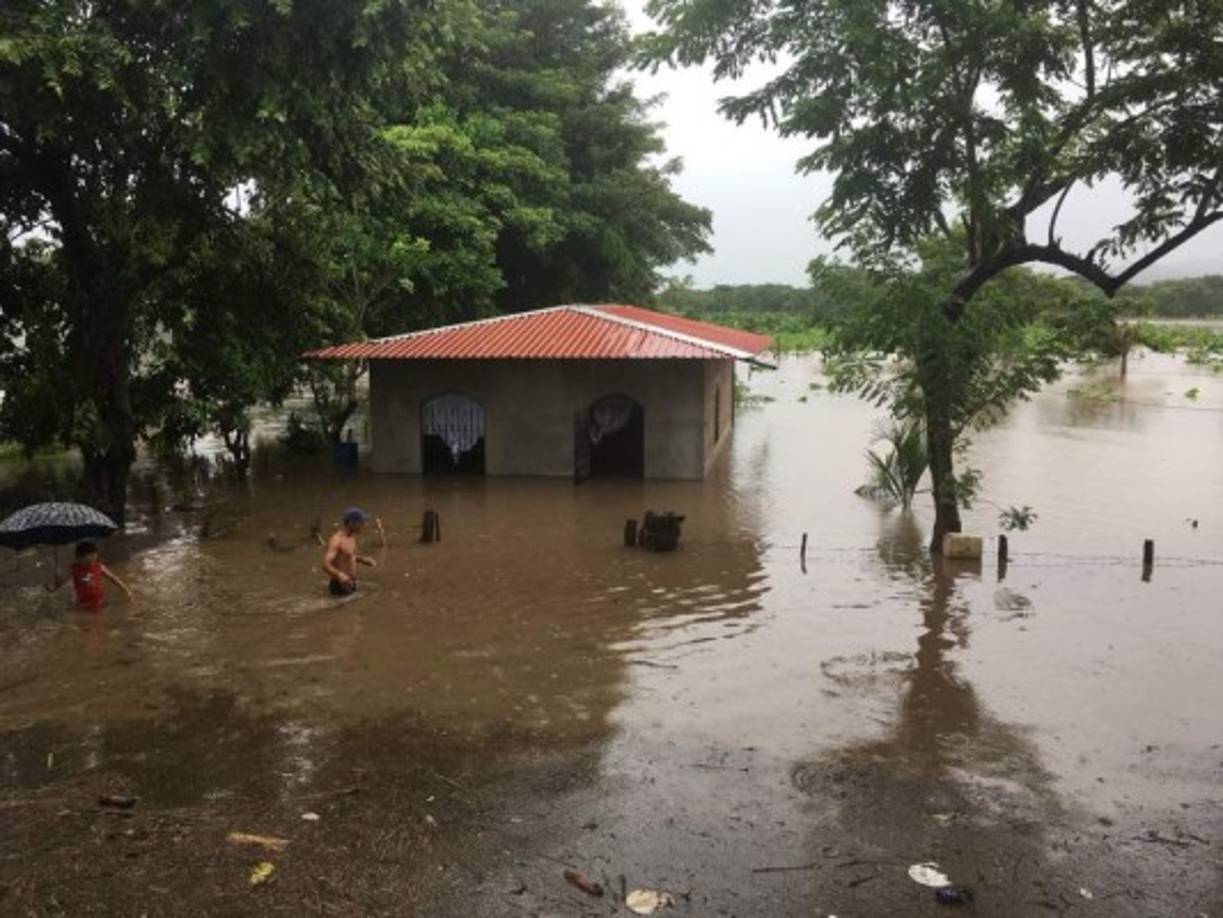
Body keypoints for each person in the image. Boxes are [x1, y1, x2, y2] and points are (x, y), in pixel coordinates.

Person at [322, 507, 379, 596]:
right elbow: (326, 565)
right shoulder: (336, 540)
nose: (363, 525)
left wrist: (362, 560)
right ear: (352, 523)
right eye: (361, 522)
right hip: (339, 584)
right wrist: (340, 575)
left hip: (350, 582)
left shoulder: (351, 537)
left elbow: (345, 555)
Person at [71, 541, 133, 612]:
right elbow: (81, 579)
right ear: (80, 558)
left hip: (99, 600)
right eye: (91, 556)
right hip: (84, 603)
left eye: (94, 556)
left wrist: (125, 589)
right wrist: (87, 582)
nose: (94, 558)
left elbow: (112, 577)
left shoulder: (99, 566)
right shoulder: (76, 569)